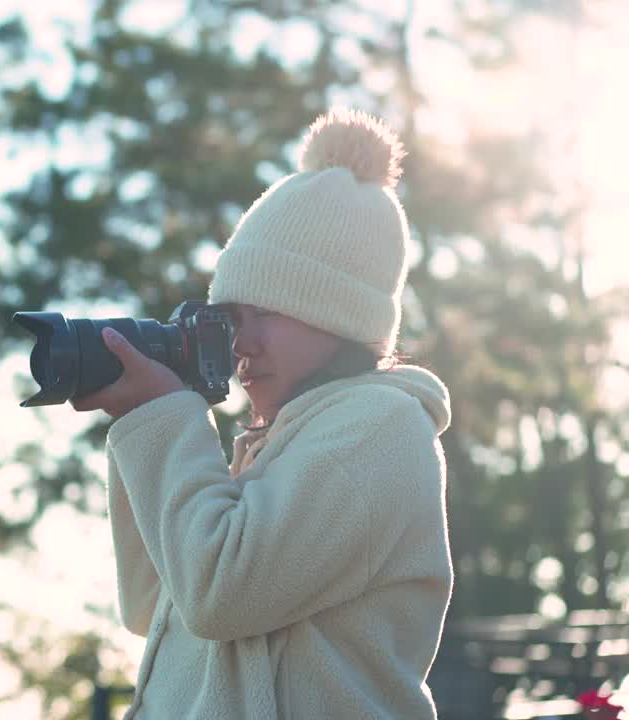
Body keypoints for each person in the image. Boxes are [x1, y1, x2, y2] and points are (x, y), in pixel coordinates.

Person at [72, 108, 454, 719]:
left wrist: (166, 416)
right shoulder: (277, 443)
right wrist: (136, 422)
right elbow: (152, 604)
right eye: (228, 318)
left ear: (338, 315)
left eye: (263, 313)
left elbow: (220, 596)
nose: (238, 343)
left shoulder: (380, 427)